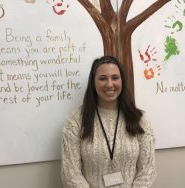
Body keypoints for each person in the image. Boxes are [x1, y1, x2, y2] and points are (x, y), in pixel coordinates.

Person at [61, 56, 156, 188]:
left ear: (122, 81)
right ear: (93, 82)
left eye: (115, 77)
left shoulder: (139, 119)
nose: (110, 84)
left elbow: (147, 171)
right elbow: (70, 173)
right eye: (103, 78)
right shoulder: (76, 120)